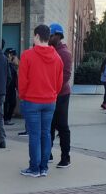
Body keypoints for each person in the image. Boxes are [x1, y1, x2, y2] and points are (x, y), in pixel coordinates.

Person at [18, 24, 63, 177]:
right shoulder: (57, 57)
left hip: (32, 100)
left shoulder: (27, 55)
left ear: (36, 36)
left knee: (35, 136)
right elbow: (59, 82)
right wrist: (53, 95)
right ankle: (43, 167)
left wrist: (23, 96)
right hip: (50, 101)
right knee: (46, 134)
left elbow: (22, 80)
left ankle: (34, 168)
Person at [48, 23, 72, 168]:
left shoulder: (64, 53)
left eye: (51, 35)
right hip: (51, 94)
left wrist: (53, 90)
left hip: (61, 95)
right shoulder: (51, 50)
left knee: (62, 126)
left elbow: (66, 75)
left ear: (58, 36)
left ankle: (65, 157)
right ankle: (48, 153)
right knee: (49, 125)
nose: (49, 38)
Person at [3, 48, 18, 124]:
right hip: (7, 86)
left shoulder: (13, 65)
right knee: (6, 103)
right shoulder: (7, 63)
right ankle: (6, 119)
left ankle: (7, 118)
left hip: (12, 87)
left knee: (12, 103)